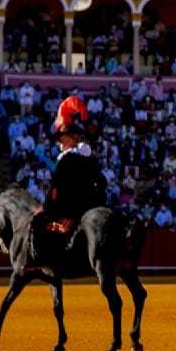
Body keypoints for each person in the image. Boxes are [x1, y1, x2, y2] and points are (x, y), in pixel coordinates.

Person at [34, 95, 107, 261]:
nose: (59, 142)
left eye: (61, 138)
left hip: (70, 208)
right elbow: (101, 180)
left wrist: (46, 206)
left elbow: (56, 189)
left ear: (69, 138)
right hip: (93, 202)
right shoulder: (85, 155)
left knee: (37, 221)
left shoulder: (65, 160)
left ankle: (43, 259)